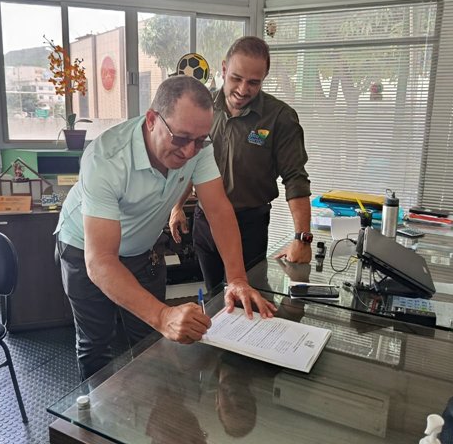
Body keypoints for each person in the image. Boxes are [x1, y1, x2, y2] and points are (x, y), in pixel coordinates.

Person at [54, 75, 276, 380]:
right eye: (181, 138)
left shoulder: (198, 146)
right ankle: (95, 411)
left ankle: (150, 408)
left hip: (142, 248)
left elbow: (218, 210)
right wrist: (162, 314)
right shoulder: (106, 158)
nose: (189, 152)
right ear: (151, 120)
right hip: (85, 249)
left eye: (200, 140)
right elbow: (101, 261)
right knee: (97, 344)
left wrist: (237, 279)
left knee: (151, 341)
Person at [170, 36, 312, 290]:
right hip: (205, 221)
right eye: (236, 78)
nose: (243, 89)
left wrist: (302, 238)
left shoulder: (280, 118)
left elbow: (295, 179)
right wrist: (177, 206)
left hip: (249, 226)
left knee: (247, 299)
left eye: (254, 82)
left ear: (264, 78)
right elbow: (192, 162)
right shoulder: (202, 108)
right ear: (224, 69)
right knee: (214, 295)